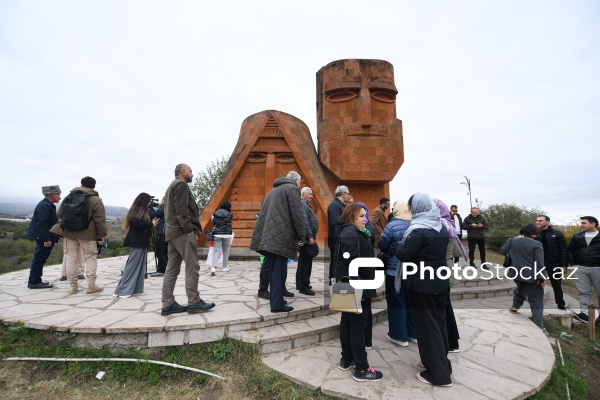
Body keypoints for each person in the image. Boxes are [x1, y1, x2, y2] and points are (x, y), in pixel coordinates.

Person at [395, 193, 452, 387]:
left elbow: (403, 254)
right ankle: (441, 363)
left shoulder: (418, 230)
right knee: (439, 323)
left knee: (427, 327)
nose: (410, 211)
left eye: (411, 207)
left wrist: (400, 244)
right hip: (440, 281)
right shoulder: (442, 226)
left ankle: (439, 375)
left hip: (423, 284)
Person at [334, 204, 383, 382]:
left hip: (351, 284)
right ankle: (362, 369)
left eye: (365, 215)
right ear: (351, 217)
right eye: (361, 216)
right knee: (357, 326)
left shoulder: (353, 232)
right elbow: (354, 261)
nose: (366, 219)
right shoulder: (350, 232)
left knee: (348, 322)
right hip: (357, 286)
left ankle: (347, 359)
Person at [161, 164, 215, 315]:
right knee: (192, 267)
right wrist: (189, 231)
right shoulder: (181, 185)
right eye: (190, 171)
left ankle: (168, 303)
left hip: (171, 233)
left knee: (171, 269)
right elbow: (182, 211)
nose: (192, 174)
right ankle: (194, 301)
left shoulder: (171, 186)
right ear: (183, 172)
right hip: (181, 233)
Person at [251, 171, 305, 312]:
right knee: (278, 271)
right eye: (300, 182)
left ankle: (277, 300)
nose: (300, 185)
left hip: (268, 237)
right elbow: (297, 214)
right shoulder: (292, 189)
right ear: (295, 180)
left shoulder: (273, 191)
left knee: (274, 270)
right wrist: (302, 235)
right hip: (280, 237)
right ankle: (277, 304)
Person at [50, 177, 106, 295]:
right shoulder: (96, 199)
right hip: (88, 234)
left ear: (81, 184)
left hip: (69, 232)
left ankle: (72, 286)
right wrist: (102, 235)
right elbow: (100, 220)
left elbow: (59, 214)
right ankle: (91, 285)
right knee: (90, 258)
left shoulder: (69, 196)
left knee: (71, 258)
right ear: (94, 186)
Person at [378, 199, 416, 347]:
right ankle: (413, 333)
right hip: (412, 270)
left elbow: (382, 244)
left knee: (396, 302)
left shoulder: (392, 225)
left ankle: (399, 336)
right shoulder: (415, 225)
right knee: (410, 302)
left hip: (394, 270)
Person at [113, 193, 159, 298]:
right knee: (132, 265)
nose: (150, 203)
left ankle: (132, 288)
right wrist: (151, 224)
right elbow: (137, 224)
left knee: (139, 265)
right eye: (148, 201)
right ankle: (123, 290)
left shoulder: (139, 210)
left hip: (141, 241)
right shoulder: (137, 210)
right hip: (137, 241)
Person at [503, 224, 547, 334]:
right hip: (531, 275)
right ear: (532, 233)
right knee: (536, 299)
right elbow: (539, 262)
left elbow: (504, 250)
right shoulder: (537, 244)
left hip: (516, 273)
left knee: (520, 289)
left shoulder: (512, 240)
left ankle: (515, 307)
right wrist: (541, 278)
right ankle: (539, 325)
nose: (537, 235)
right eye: (536, 233)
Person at [434, 198, 464, 353]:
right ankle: (453, 341)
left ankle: (450, 343)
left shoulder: (441, 226)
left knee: (444, 308)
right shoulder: (449, 224)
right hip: (448, 268)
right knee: (446, 306)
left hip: (443, 269)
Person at [26, 185, 61, 289]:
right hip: (43, 237)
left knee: (39, 259)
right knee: (39, 259)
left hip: (44, 236)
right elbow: (42, 224)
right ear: (52, 195)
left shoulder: (47, 205)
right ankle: (35, 282)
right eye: (58, 194)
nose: (60, 197)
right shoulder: (44, 206)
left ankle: (33, 280)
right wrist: (46, 239)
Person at [568, 216, 600, 326]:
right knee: (583, 291)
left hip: (597, 268)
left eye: (584, 223)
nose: (581, 225)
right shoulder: (577, 236)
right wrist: (573, 263)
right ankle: (584, 314)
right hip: (580, 268)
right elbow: (571, 250)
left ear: (593, 224)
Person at [535, 215, 568, 310]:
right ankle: (537, 304)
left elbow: (563, 250)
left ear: (548, 222)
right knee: (536, 283)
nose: (538, 222)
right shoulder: (534, 234)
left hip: (554, 263)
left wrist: (564, 265)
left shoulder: (557, 233)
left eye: (540, 221)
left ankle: (561, 305)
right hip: (539, 263)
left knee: (556, 285)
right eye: (537, 221)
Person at [296, 187, 319, 296]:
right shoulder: (302, 203)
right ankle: (303, 286)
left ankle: (300, 283)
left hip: (305, 238)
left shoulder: (303, 203)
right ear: (303, 194)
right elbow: (304, 221)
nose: (311, 196)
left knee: (302, 261)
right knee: (306, 263)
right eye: (310, 194)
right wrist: (310, 236)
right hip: (306, 239)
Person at [327, 185, 350, 281]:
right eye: (348, 193)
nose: (349, 196)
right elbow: (335, 223)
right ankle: (333, 280)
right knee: (335, 261)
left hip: (340, 238)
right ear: (343, 194)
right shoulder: (334, 206)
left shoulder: (341, 205)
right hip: (336, 239)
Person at [210, 201, 234, 275]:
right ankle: (224, 267)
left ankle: (214, 267)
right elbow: (230, 222)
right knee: (226, 251)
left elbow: (213, 223)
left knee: (216, 251)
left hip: (217, 234)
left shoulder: (214, 214)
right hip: (227, 234)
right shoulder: (230, 214)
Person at [149, 197, 167, 277]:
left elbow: (153, 214)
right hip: (165, 232)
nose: (162, 200)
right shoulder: (167, 208)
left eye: (164, 199)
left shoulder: (164, 208)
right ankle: (164, 269)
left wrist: (147, 207)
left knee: (160, 251)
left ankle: (162, 270)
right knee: (164, 251)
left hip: (161, 232)